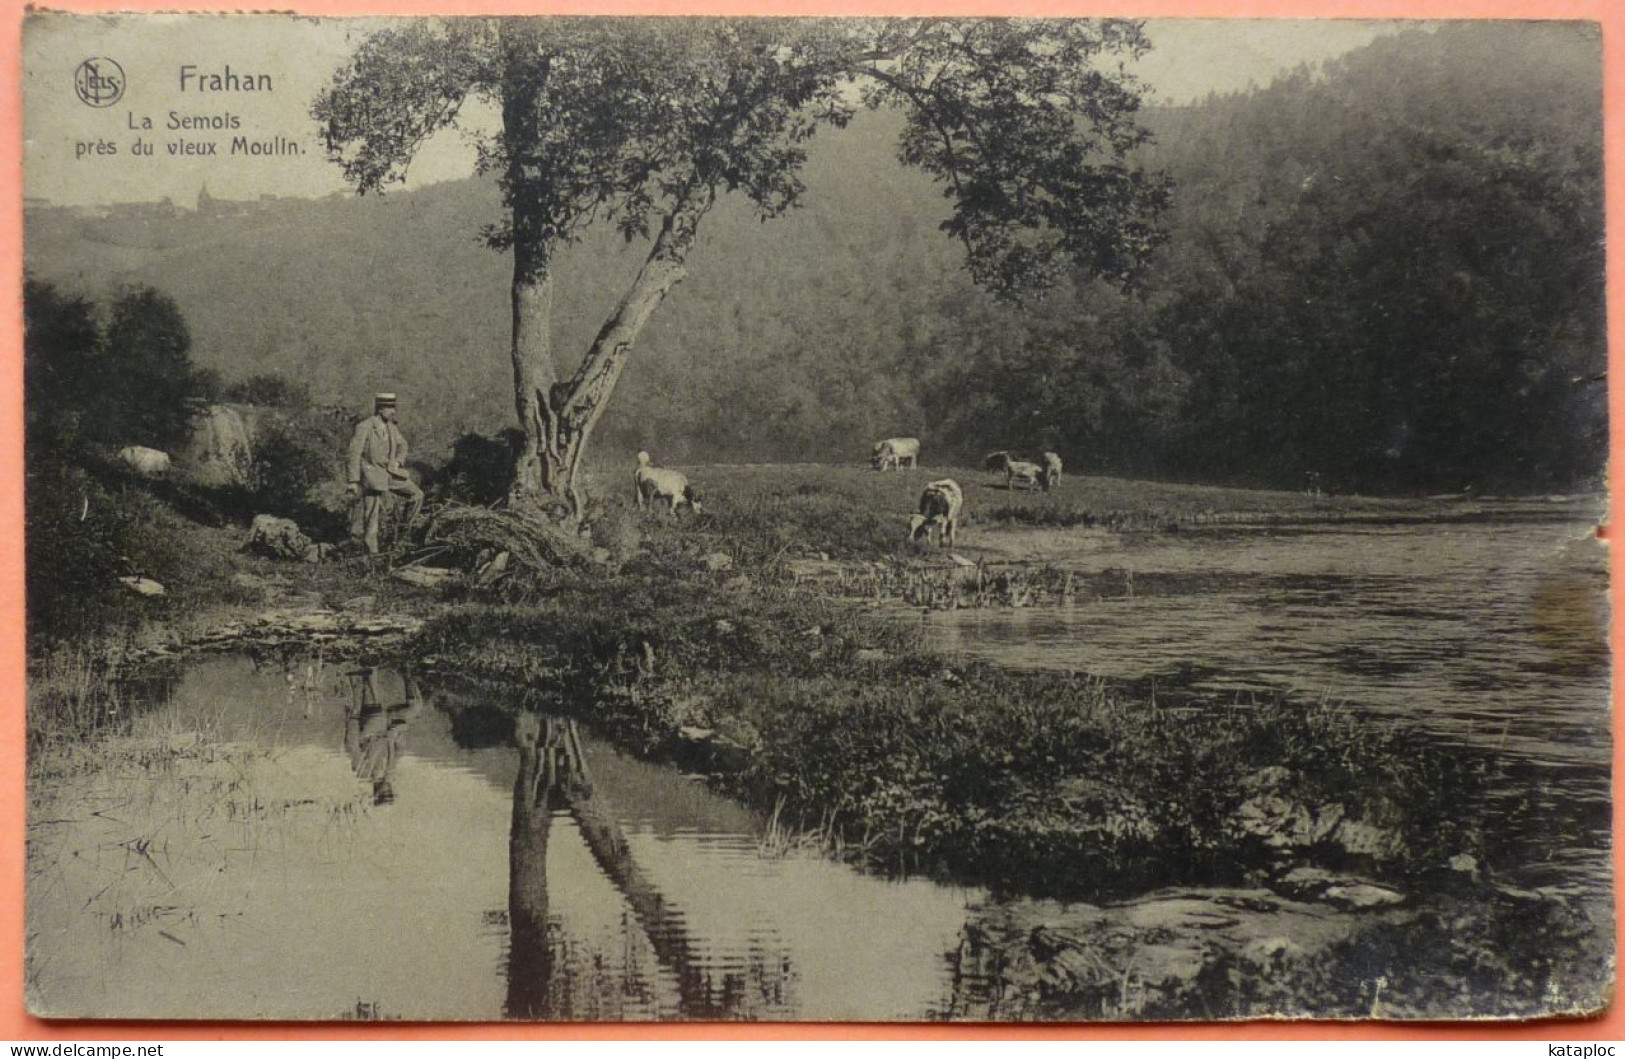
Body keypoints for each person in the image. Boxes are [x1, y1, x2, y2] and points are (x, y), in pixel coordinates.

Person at [346, 392, 424, 555]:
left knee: (417, 495)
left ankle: (402, 534)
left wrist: (398, 461)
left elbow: (404, 445)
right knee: (371, 515)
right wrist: (353, 481)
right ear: (380, 409)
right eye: (390, 408)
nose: (393, 411)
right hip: (372, 476)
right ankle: (371, 553)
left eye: (393, 407)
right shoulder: (365, 426)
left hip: (390, 473)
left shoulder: (392, 428)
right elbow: (353, 453)